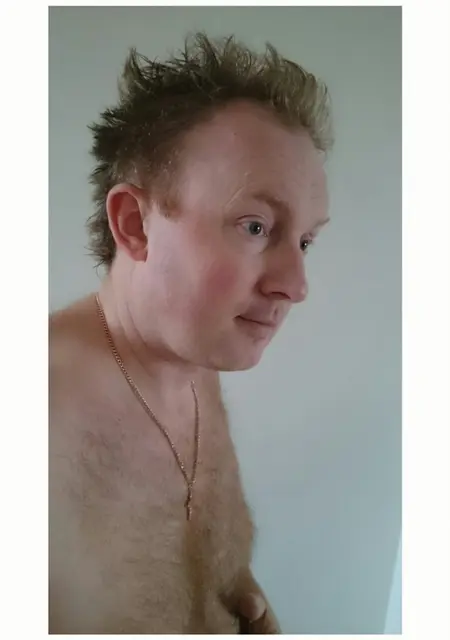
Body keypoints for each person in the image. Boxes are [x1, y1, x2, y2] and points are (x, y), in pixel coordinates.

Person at [49, 32, 332, 634]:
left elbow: (194, 563)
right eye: (256, 226)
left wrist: (245, 602)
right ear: (135, 225)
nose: (296, 285)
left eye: (306, 240)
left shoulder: (194, 360)